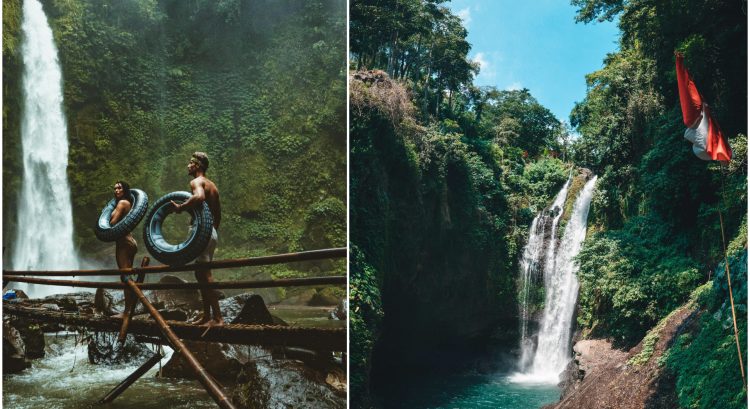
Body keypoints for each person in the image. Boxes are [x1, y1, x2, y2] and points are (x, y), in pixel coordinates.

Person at [172, 152, 224, 327]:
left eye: (190, 163)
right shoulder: (213, 186)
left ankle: (218, 318)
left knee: (204, 273)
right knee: (200, 272)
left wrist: (181, 207)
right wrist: (211, 230)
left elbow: (199, 197)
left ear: (198, 166)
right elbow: (217, 214)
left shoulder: (196, 182)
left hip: (203, 231)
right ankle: (207, 316)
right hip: (211, 232)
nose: (188, 165)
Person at [110, 181, 137, 325]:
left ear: (125, 189)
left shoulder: (122, 204)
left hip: (123, 243)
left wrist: (108, 220)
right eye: (114, 188)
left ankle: (127, 312)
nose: (116, 190)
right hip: (130, 241)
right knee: (127, 276)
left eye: (119, 187)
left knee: (125, 276)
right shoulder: (127, 204)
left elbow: (113, 223)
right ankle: (130, 308)